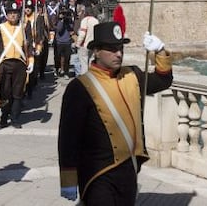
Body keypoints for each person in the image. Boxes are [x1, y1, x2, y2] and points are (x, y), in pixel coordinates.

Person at [58, 22, 173, 205]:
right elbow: (68, 138)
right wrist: (68, 179)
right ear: (96, 51)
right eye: (112, 49)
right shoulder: (79, 87)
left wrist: (160, 51)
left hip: (128, 170)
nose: (119, 53)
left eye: (120, 48)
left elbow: (163, 80)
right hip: (97, 174)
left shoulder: (132, 75)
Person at [0, 0, 33, 128]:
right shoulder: (0, 27)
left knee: (17, 93)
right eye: (10, 13)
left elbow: (29, 45)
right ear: (6, 14)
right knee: (5, 93)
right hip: (4, 63)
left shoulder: (25, 27)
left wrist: (31, 60)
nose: (13, 15)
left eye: (15, 13)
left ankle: (15, 119)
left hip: (20, 63)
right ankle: (4, 117)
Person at [74, 5, 99, 75]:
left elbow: (82, 34)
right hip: (93, 45)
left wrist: (78, 44)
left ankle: (84, 82)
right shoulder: (96, 20)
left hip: (84, 45)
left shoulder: (85, 20)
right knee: (91, 64)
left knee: (84, 65)